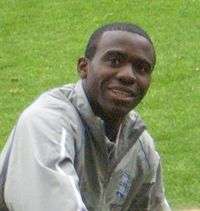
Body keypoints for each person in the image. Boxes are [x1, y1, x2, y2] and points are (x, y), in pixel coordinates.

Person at [0, 22, 171, 211]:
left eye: (142, 68)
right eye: (114, 61)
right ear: (83, 67)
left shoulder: (138, 147)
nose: (128, 76)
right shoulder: (47, 122)